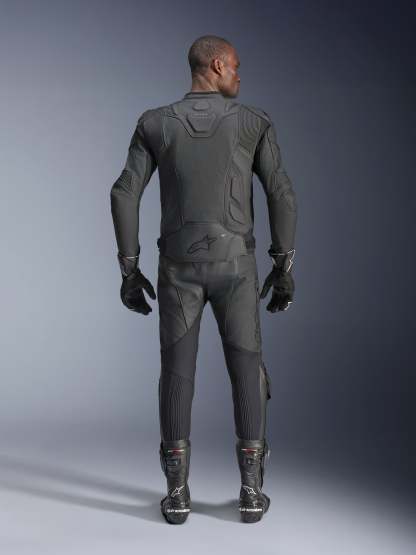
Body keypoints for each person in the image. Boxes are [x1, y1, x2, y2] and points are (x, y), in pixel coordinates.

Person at [110, 35, 297, 524]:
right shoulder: (254, 122)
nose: (239, 74)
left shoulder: (154, 123)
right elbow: (280, 192)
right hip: (236, 267)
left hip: (178, 269)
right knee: (248, 370)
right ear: (216, 65)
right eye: (235, 66)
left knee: (176, 374)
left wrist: (129, 270)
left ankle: (177, 495)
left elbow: (124, 192)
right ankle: (251, 494)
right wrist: (283, 265)